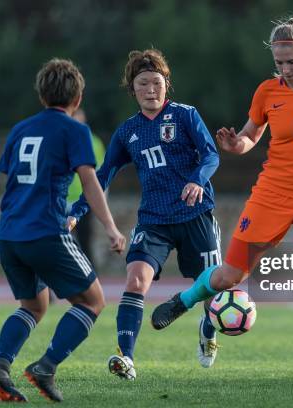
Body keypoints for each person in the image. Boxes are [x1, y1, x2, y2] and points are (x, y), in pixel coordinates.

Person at [151, 16, 293, 386]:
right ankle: (184, 301)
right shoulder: (267, 92)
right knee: (231, 275)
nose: (284, 69)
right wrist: (236, 144)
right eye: (279, 62)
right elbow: (250, 136)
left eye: (291, 61)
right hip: (271, 194)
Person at [68, 49, 221, 380]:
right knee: (136, 280)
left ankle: (208, 335)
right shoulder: (127, 132)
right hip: (153, 219)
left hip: (196, 215)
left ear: (167, 85)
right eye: (143, 84)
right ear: (132, 90)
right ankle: (126, 358)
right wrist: (78, 210)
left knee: (210, 291)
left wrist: (197, 180)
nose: (151, 89)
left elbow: (211, 156)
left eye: (157, 82)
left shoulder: (186, 115)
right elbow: (103, 175)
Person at [0, 58, 126, 402]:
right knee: (93, 301)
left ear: (41, 95)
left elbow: (14, 177)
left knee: (34, 306)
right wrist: (111, 228)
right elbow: (90, 182)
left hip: (9, 234)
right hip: (45, 230)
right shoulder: (75, 130)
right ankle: (45, 367)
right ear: (78, 97)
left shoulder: (20, 129)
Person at [67, 108, 107, 259]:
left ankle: (91, 277)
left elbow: (102, 173)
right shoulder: (63, 139)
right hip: (62, 199)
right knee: (61, 243)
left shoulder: (94, 142)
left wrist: (100, 199)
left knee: (85, 241)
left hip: (84, 200)